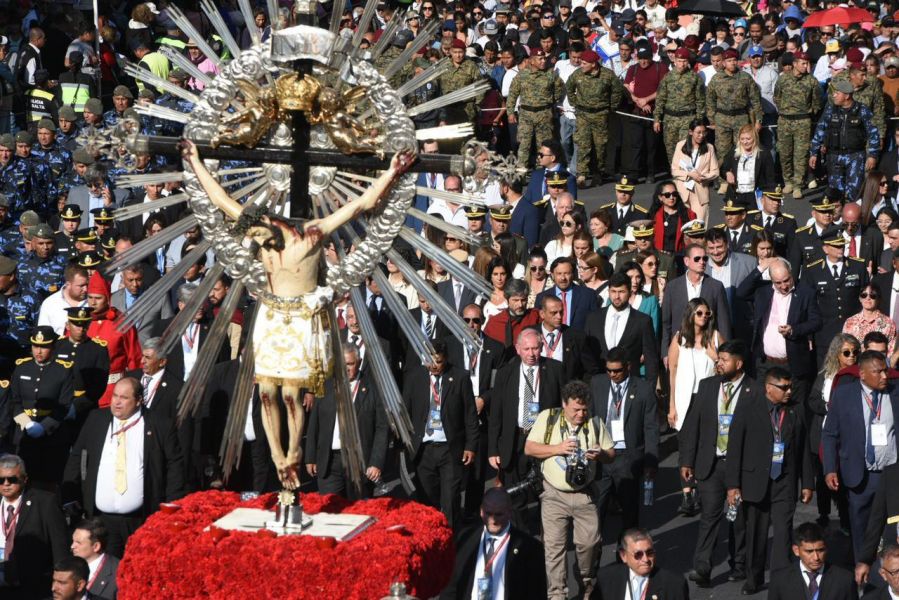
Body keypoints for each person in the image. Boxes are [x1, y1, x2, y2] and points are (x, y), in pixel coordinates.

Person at [182, 140, 413, 490]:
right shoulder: (263, 230)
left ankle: (290, 453)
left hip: (301, 316)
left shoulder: (314, 232)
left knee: (290, 392)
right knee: (264, 392)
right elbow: (222, 202)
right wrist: (197, 163)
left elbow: (361, 204)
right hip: (272, 315)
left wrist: (393, 171)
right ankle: (278, 457)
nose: (262, 239)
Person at [63, 377, 186, 558]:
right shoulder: (96, 419)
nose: (117, 402)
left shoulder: (159, 424)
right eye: (115, 396)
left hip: (141, 520)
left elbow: (175, 466)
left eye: (124, 398)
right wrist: (70, 497)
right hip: (101, 519)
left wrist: (170, 509)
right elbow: (76, 457)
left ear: (138, 400)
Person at [725, 367, 814, 595]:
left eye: (790, 386)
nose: (788, 391)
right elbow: (735, 448)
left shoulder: (795, 411)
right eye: (783, 387)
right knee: (756, 534)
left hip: (784, 481)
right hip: (755, 482)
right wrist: (733, 485)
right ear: (768, 388)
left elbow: (803, 449)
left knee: (783, 535)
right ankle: (753, 579)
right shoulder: (748, 409)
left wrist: (807, 483)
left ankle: (779, 582)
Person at [525, 380, 615, 600]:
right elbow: (529, 448)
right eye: (576, 409)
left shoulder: (594, 423)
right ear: (564, 404)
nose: (580, 414)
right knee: (554, 549)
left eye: (584, 409)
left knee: (590, 543)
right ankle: (557, 594)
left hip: (585, 495)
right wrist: (558, 449)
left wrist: (600, 454)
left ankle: (584, 579)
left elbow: (611, 454)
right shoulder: (549, 418)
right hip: (554, 494)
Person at [678, 339, 753, 586]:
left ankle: (739, 564)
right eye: (718, 359)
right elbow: (692, 425)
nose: (718, 363)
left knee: (736, 519)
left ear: (739, 364)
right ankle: (702, 567)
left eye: (724, 359)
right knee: (709, 517)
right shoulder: (708, 386)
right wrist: (686, 460)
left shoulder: (754, 390)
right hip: (710, 464)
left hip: (739, 467)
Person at [823, 350, 899, 561]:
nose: (885, 376)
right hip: (860, 475)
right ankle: (864, 575)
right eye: (878, 372)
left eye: (885, 371)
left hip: (892, 474)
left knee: (892, 530)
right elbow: (830, 434)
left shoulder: (895, 392)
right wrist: (830, 468)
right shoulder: (843, 394)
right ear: (862, 374)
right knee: (862, 531)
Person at [488, 328, 563, 523]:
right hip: (515, 438)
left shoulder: (555, 369)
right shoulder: (506, 372)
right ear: (518, 349)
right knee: (515, 493)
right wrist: (493, 449)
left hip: (543, 439)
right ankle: (520, 536)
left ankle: (547, 535)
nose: (531, 354)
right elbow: (496, 413)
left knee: (545, 490)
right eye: (527, 349)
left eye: (536, 349)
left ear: (542, 348)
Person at [404, 338, 478, 530]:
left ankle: (453, 542)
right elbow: (406, 412)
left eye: (438, 361)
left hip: (449, 449)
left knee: (451, 498)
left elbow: (469, 414)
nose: (434, 366)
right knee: (427, 499)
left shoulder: (460, 377)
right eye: (430, 360)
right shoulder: (414, 377)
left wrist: (470, 446)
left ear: (445, 359)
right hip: (424, 449)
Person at [306, 344, 388, 499]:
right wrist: (310, 456)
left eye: (350, 364)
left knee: (356, 513)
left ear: (359, 361)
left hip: (359, 461)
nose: (346, 369)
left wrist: (376, 462)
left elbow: (382, 427)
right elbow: (314, 423)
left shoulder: (373, 387)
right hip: (330, 461)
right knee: (330, 513)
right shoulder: (326, 386)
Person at [589, 348, 658, 531]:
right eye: (609, 370)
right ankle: (593, 555)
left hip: (628, 457)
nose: (613, 375)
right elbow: (589, 417)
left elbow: (650, 426)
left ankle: (628, 550)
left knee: (629, 511)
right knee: (596, 510)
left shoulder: (643, 389)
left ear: (628, 367)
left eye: (617, 371)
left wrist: (651, 461)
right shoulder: (597, 383)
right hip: (602, 454)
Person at [438, 487, 547, 599]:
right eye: (488, 513)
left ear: (509, 512)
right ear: (481, 511)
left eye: (499, 514)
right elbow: (450, 587)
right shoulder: (464, 538)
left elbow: (536, 594)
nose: (493, 520)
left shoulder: (530, 549)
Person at [736, 257, 821, 396]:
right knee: (764, 407)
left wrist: (794, 330)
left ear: (791, 273)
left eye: (786, 280)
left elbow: (816, 321)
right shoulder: (763, 291)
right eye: (778, 282)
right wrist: (760, 268)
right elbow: (741, 292)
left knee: (795, 408)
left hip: (793, 364)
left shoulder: (806, 292)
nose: (783, 286)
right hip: (765, 363)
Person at [10, 326, 76, 487]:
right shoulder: (21, 368)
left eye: (44, 347)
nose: (39, 351)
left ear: (53, 347)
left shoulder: (63, 371)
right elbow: (14, 402)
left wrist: (44, 427)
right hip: (24, 435)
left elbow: (64, 405)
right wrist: (26, 423)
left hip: (53, 437)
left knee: (50, 483)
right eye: (35, 346)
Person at [807, 334, 858, 533]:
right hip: (823, 431)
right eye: (846, 353)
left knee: (843, 481)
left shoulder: (857, 376)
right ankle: (823, 513)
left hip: (845, 437)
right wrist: (828, 407)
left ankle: (845, 520)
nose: (851, 356)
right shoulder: (825, 375)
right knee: (822, 476)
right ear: (837, 354)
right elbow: (812, 400)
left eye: (855, 352)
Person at [0, 453, 69, 599]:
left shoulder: (45, 503)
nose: (6, 484)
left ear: (25, 479)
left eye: (12, 479)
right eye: (1, 480)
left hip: (34, 588)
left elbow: (60, 548)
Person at [801, 226, 870, 366]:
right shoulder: (812, 270)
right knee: (826, 373)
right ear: (825, 248)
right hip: (824, 334)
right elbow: (807, 304)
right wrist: (808, 335)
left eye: (841, 245)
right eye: (836, 246)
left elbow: (866, 297)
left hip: (853, 332)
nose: (840, 249)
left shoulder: (858, 267)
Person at [810, 78, 880, 204]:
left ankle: (852, 220)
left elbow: (873, 133)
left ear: (847, 95)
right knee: (835, 193)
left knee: (854, 192)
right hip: (834, 156)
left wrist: (872, 155)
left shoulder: (862, 110)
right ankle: (837, 221)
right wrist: (814, 152)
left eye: (837, 93)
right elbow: (820, 130)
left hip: (855, 156)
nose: (834, 95)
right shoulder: (831, 110)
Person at [660, 244, 731, 366]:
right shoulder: (672, 287)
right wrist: (665, 352)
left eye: (705, 259)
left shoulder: (716, 287)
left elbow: (723, 323)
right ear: (686, 261)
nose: (702, 262)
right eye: (697, 259)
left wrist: (726, 354)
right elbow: (666, 323)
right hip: (680, 347)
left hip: (707, 348)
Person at [706, 48, 764, 194]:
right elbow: (710, 100)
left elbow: (755, 100)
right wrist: (712, 118)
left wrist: (758, 120)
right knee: (723, 150)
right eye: (729, 61)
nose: (732, 63)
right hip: (722, 118)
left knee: (742, 148)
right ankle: (724, 180)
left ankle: (743, 179)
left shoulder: (745, 77)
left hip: (741, 117)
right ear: (724, 63)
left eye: (734, 60)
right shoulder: (716, 78)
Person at [566, 49, 624, 188]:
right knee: (583, 144)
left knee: (600, 146)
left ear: (593, 64)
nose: (581, 64)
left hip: (600, 115)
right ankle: (581, 175)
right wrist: (575, 103)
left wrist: (612, 106)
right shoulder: (577, 74)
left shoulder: (607, 75)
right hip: (583, 115)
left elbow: (617, 90)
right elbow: (569, 87)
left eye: (585, 63)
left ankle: (598, 173)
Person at [773, 50, 822, 199]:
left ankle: (798, 184)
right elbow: (777, 97)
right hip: (785, 120)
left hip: (803, 121)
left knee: (801, 154)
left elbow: (817, 103)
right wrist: (786, 109)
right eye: (803, 63)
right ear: (794, 64)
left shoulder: (811, 81)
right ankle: (787, 181)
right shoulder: (783, 79)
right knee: (785, 153)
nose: (805, 66)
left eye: (807, 63)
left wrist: (806, 112)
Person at [591, 528, 690, 600]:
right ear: (623, 556)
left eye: (650, 553)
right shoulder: (607, 578)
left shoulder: (674, 584)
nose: (646, 559)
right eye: (638, 554)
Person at [507, 47, 564, 168]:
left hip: (544, 114)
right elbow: (512, 94)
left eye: (544, 58)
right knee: (524, 146)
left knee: (543, 147)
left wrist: (550, 101)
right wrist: (510, 112)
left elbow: (559, 90)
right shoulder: (522, 75)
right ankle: (521, 173)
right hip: (526, 115)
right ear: (531, 61)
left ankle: (542, 171)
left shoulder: (551, 74)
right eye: (540, 59)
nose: (543, 61)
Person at [767, 521, 857, 599]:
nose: (816, 557)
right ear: (796, 550)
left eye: (820, 550)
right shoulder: (780, 580)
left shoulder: (845, 580)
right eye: (809, 551)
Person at [654, 47, 706, 164]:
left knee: (686, 149)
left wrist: (698, 122)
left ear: (688, 61)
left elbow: (700, 101)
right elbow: (660, 99)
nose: (681, 64)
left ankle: (685, 177)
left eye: (684, 61)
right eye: (679, 61)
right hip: (670, 119)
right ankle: (675, 176)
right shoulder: (667, 77)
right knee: (670, 150)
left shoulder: (694, 78)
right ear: (674, 61)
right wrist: (657, 119)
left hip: (687, 119)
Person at [671, 120, 719, 222]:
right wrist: (689, 174)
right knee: (682, 226)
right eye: (698, 132)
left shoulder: (709, 148)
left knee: (700, 225)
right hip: (682, 192)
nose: (701, 135)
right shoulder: (680, 145)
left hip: (700, 192)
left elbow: (715, 171)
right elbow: (674, 170)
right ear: (690, 132)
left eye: (704, 132)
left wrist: (704, 177)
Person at [721, 124, 777, 210]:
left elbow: (770, 178)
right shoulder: (734, 152)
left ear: (754, 138)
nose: (745, 142)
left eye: (748, 139)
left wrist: (770, 198)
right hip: (736, 196)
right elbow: (723, 169)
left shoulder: (764, 154)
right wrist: (727, 173)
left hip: (754, 197)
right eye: (742, 139)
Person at [535, 257, 596, 330]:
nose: (563, 278)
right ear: (552, 275)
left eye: (567, 273)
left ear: (573, 274)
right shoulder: (541, 298)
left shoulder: (588, 295)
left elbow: (594, 324)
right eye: (559, 273)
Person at [483, 279, 541, 351]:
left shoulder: (535, 316)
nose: (520, 305)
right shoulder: (494, 323)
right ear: (507, 300)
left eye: (523, 300)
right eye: (515, 300)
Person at [70, 517, 118, 600]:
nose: (72, 546)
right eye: (73, 541)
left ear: (96, 546)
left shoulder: (117, 573)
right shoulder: (69, 566)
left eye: (78, 542)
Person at [844, 285, 898, 356]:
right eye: (864, 295)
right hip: (856, 365)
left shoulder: (889, 323)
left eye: (873, 296)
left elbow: (890, 353)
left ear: (878, 299)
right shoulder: (850, 322)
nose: (868, 298)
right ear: (860, 298)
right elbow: (845, 348)